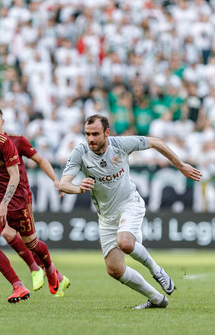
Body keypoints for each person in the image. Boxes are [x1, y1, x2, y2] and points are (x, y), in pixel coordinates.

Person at [59, 114, 202, 309]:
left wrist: (181, 166)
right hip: (106, 216)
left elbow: (155, 142)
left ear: (107, 133)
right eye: (87, 134)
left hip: (130, 203)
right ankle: (157, 299)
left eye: (95, 134)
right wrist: (78, 187)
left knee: (125, 242)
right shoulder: (80, 152)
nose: (90, 139)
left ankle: (156, 270)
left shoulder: (121, 144)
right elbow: (64, 183)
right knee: (114, 269)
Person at [0, 107, 69, 303]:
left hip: (18, 200)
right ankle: (18, 285)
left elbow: (16, 175)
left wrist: (56, 180)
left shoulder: (8, 142)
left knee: (32, 243)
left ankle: (50, 270)